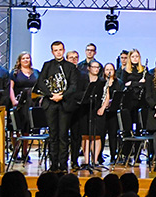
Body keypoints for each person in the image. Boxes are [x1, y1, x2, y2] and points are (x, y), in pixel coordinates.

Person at [38, 41, 78, 172]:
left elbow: (73, 85)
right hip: (50, 103)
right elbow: (41, 83)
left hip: (64, 104)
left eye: (60, 49)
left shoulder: (70, 67)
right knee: (53, 135)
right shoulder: (47, 65)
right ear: (52, 52)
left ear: (64, 50)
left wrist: (62, 96)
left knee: (63, 135)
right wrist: (51, 95)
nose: (58, 52)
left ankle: (63, 164)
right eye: (56, 50)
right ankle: (53, 163)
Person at [118, 49, 147, 166]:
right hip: (128, 104)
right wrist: (138, 83)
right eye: (133, 56)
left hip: (140, 103)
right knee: (127, 130)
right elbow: (123, 85)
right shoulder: (125, 71)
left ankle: (138, 155)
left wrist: (133, 84)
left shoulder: (143, 70)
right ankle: (127, 154)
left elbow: (145, 84)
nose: (135, 58)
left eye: (137, 56)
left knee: (139, 130)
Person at [9, 52, 39, 162]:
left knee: (27, 128)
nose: (26, 60)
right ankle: (15, 151)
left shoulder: (35, 72)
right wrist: (13, 100)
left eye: (28, 58)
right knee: (16, 127)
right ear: (20, 60)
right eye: (23, 58)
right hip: (19, 102)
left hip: (31, 103)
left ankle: (25, 152)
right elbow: (11, 88)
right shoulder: (15, 73)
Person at [79, 60, 109, 171]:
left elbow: (106, 96)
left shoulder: (102, 81)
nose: (96, 69)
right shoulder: (83, 80)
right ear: (89, 68)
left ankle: (95, 160)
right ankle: (86, 161)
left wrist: (102, 108)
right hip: (85, 109)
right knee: (86, 135)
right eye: (94, 67)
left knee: (97, 135)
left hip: (98, 110)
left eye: (98, 67)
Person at [100, 63, 124, 166]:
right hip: (102, 112)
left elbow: (121, 97)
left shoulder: (118, 82)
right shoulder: (101, 82)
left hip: (113, 112)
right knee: (101, 135)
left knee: (113, 135)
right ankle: (99, 156)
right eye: (107, 69)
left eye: (111, 69)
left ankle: (113, 155)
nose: (109, 71)